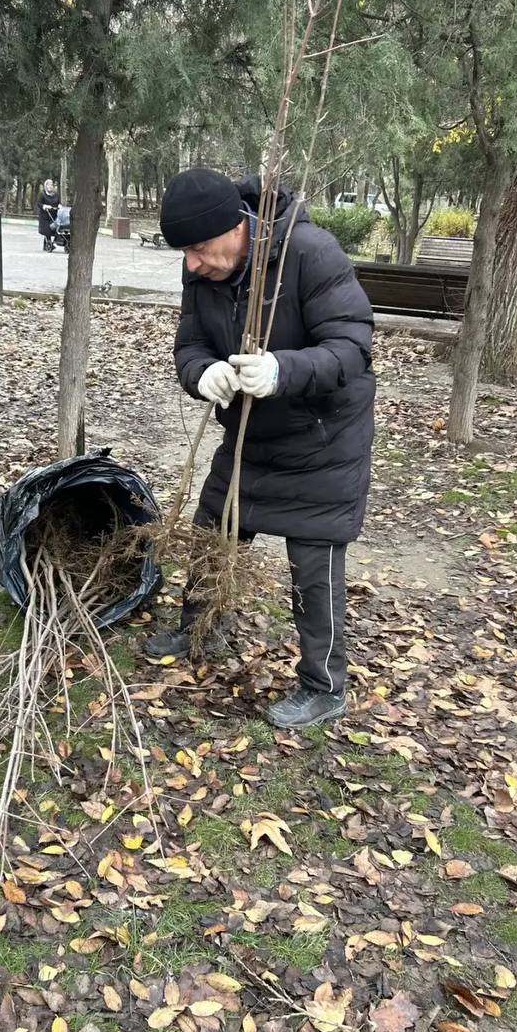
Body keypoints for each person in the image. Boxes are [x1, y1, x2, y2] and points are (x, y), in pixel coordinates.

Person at [143, 167, 375, 730]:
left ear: (237, 226)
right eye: (185, 254)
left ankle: (324, 685)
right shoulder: (200, 266)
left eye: (200, 249)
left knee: (312, 565)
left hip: (321, 435)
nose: (193, 264)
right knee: (214, 528)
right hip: (250, 433)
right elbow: (191, 342)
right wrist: (202, 375)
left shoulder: (309, 252)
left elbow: (353, 346)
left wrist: (282, 370)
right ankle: (201, 629)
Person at [36, 179, 58, 252]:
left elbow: (58, 202)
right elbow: (39, 203)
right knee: (47, 230)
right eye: (49, 185)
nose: (50, 186)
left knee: (56, 229)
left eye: (51, 185)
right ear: (46, 186)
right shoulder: (42, 194)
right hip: (45, 215)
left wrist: (60, 205)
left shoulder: (55, 194)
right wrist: (44, 206)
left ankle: (49, 244)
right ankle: (49, 244)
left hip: (54, 214)